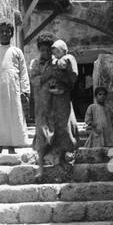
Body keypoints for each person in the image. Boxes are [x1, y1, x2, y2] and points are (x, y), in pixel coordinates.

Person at [33, 37, 81, 168]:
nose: (47, 53)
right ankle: (43, 161)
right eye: (43, 50)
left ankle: (61, 158)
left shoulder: (60, 62)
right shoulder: (36, 64)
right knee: (44, 130)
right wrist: (46, 75)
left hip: (60, 100)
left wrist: (60, 77)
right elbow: (34, 80)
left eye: (49, 50)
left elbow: (70, 80)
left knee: (63, 128)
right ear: (39, 50)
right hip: (44, 103)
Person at [0, 21, 30, 152]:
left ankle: (11, 147)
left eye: (7, 31)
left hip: (13, 89)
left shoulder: (17, 52)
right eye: (2, 31)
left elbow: (23, 73)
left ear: (12, 34)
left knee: (12, 116)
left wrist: (25, 91)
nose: (4, 34)